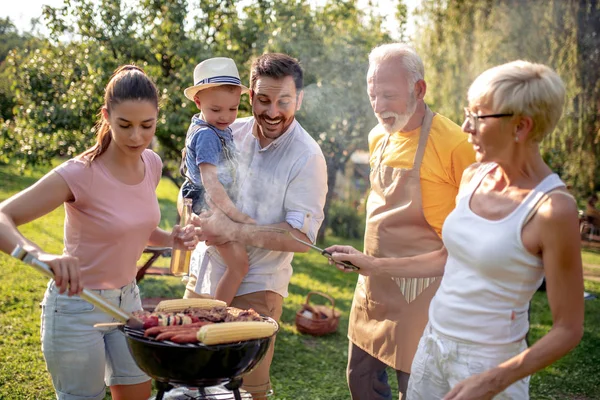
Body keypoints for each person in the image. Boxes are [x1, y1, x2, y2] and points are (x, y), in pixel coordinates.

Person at [331, 61, 584, 399]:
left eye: (479, 117)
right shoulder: (474, 177)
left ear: (521, 127)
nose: (466, 127)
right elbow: (446, 257)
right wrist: (372, 264)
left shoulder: (553, 209)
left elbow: (568, 329)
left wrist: (492, 380)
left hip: (489, 363)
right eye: (468, 113)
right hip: (432, 346)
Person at [0, 65, 198, 400]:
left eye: (146, 126)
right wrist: (39, 254)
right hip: (78, 306)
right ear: (106, 116)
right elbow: (3, 216)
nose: (137, 136)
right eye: (125, 125)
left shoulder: (151, 163)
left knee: (138, 394)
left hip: (129, 302)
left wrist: (171, 239)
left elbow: (139, 228)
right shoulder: (78, 173)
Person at [326, 43, 476, 399]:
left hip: (424, 293)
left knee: (418, 388)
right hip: (373, 287)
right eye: (372, 94)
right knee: (360, 380)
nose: (378, 107)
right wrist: (366, 261)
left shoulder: (456, 145)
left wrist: (376, 264)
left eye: (388, 96)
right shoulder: (378, 135)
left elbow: (465, 246)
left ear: (419, 89)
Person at [186, 53, 328, 398]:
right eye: (263, 100)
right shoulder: (225, 128)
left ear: (300, 98)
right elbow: (190, 184)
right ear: (250, 96)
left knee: (248, 390)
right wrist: (191, 214)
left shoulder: (307, 157)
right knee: (191, 380)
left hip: (256, 287)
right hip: (203, 274)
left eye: (284, 101)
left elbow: (300, 238)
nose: (273, 111)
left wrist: (234, 231)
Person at [181, 57, 255, 305]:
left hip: (212, 201)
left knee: (235, 265)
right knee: (239, 266)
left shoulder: (216, 129)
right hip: (208, 202)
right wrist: (235, 215)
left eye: (233, 109)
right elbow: (210, 182)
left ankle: (214, 307)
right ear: (198, 102)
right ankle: (218, 312)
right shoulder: (207, 136)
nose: (225, 116)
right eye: (216, 110)